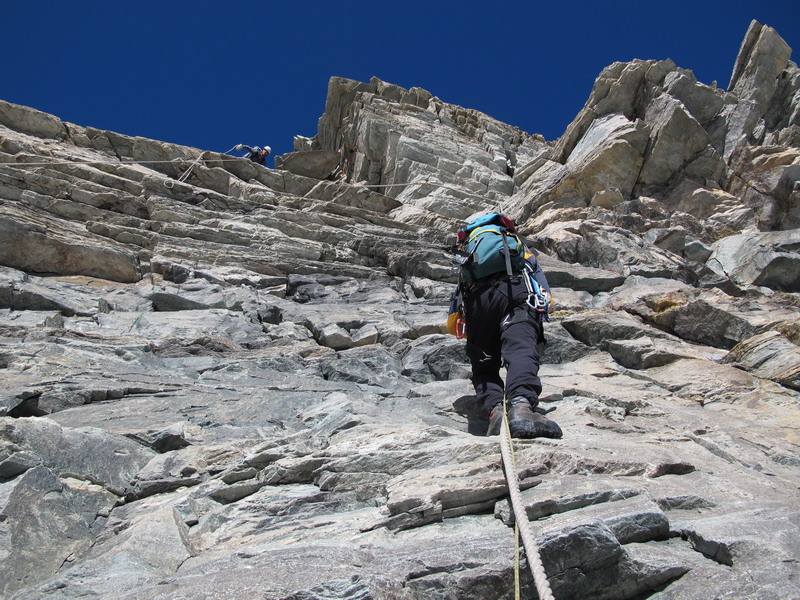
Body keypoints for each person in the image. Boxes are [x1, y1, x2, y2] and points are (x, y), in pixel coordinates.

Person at [448, 216, 563, 440]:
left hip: (477, 304)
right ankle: (521, 408)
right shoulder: (513, 242)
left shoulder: (470, 251)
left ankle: (495, 412)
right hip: (514, 292)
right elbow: (535, 274)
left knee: (484, 365)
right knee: (520, 348)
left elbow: (459, 291)